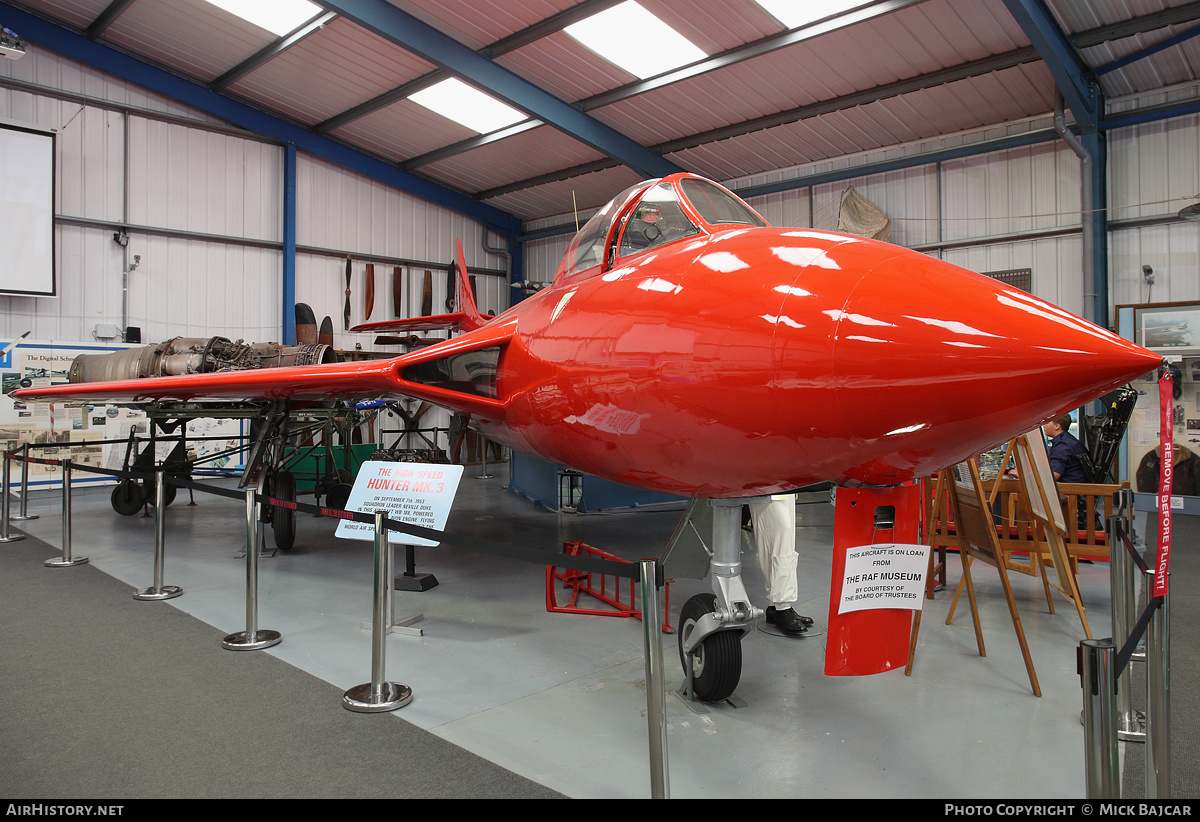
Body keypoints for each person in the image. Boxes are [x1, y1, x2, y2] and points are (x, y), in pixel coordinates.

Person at [748, 495, 813, 637]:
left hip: (783, 483)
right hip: (763, 482)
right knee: (780, 533)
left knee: (787, 541)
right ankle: (782, 607)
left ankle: (775, 606)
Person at [1042, 414, 1087, 483]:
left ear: (1057, 426)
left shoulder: (1062, 445)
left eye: (1047, 422)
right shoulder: (1068, 440)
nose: (1044, 426)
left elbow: (1055, 474)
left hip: (1070, 490)